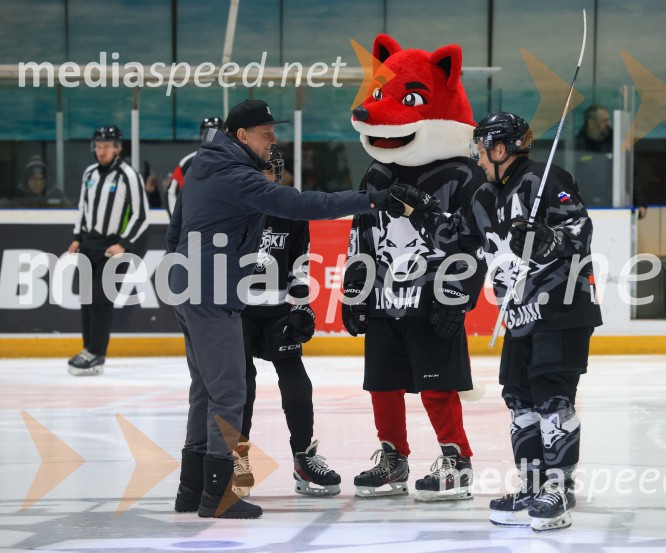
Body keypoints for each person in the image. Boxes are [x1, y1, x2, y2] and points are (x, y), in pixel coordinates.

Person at [167, 99, 399, 519]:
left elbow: (175, 227)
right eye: (266, 132)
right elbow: (300, 205)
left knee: (205, 389)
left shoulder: (204, 166)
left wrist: (182, 269)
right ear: (241, 135)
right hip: (210, 292)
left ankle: (191, 489)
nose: (273, 139)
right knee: (229, 391)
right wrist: (371, 200)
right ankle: (218, 495)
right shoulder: (235, 175)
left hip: (190, 287)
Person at [399, 112, 603, 531]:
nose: (476, 160)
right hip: (519, 314)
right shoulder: (483, 197)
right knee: (519, 400)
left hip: (562, 308)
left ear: (500, 149)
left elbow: (580, 229)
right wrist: (422, 212)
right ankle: (533, 486)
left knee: (551, 399)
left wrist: (551, 238)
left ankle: (558, 488)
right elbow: (455, 238)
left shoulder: (547, 180)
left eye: (480, 151)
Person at [344, 34, 487, 502]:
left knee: (437, 386)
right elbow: (361, 234)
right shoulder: (377, 172)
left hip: (433, 299)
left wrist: (460, 295)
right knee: (382, 384)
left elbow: (476, 240)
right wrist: (355, 290)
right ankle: (393, 457)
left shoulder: (463, 176)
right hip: (386, 299)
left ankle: (456, 459)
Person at [232, 145, 341, 499]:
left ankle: (303, 457)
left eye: (271, 170)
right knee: (239, 385)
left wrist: (302, 304)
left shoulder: (291, 209)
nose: (266, 177)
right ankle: (236, 459)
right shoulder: (232, 207)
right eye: (260, 170)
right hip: (238, 311)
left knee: (296, 381)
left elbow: (300, 262)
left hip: (277, 308)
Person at [66, 126, 149, 376]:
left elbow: (141, 215)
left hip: (112, 245)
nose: (101, 151)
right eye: (98, 146)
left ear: (117, 148)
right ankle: (87, 349)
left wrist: (122, 243)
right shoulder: (89, 173)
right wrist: (76, 237)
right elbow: (83, 207)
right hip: (88, 243)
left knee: (102, 299)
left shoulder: (128, 176)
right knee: (87, 299)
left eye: (107, 146)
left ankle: (97, 354)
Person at [574, 104, 647, 218]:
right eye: (604, 121)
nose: (608, 124)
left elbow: (631, 173)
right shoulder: (575, 145)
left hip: (612, 205)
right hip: (584, 206)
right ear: (591, 123)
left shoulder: (616, 143)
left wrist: (640, 202)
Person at [166, 117, 224, 216]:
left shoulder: (236, 160)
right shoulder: (188, 162)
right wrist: (176, 222)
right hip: (195, 225)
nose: (211, 138)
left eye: (215, 133)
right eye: (206, 133)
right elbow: (172, 192)